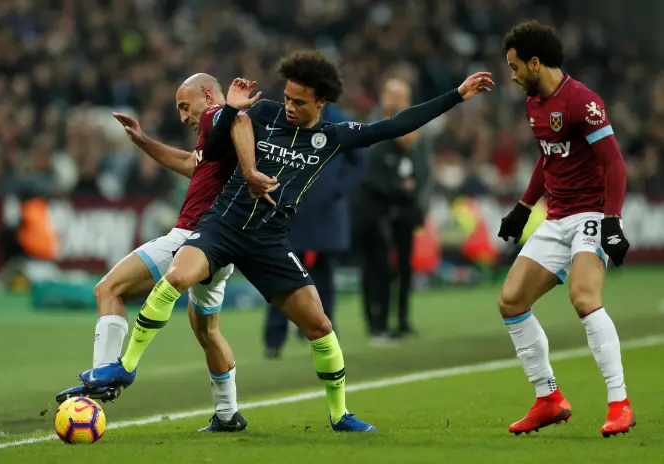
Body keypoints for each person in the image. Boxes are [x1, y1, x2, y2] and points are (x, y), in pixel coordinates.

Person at [79, 51, 493, 433]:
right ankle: (127, 366)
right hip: (224, 223)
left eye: (299, 101)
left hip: (268, 240)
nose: (289, 106)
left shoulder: (334, 136)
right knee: (177, 276)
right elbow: (235, 124)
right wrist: (250, 169)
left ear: (321, 102)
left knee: (320, 325)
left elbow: (396, 125)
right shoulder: (262, 113)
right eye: (288, 97)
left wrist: (456, 96)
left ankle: (339, 414)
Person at [56, 74, 248, 432]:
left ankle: (104, 376)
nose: (182, 117)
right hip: (223, 247)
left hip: (192, 238)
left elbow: (222, 134)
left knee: (108, 288)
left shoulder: (219, 118)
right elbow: (192, 165)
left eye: (184, 106)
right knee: (207, 331)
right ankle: (228, 414)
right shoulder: (221, 133)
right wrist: (143, 141)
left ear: (207, 96)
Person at [497, 20, 633, 438]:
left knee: (583, 297)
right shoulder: (534, 104)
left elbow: (613, 162)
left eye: (516, 66)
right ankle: (549, 399)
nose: (513, 75)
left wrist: (612, 219)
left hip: (591, 214)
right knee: (511, 301)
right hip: (557, 218)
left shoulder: (583, 102)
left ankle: (619, 402)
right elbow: (547, 158)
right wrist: (522, 207)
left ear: (536, 63)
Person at [263, 102, 368, 359]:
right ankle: (274, 340)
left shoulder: (340, 122)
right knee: (282, 276)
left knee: (324, 280)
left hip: (326, 214)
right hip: (290, 212)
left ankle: (325, 336)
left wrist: (337, 188)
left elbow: (361, 161)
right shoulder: (286, 119)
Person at [354, 77, 429, 343]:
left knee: (403, 267)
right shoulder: (375, 128)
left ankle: (401, 319)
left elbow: (423, 171)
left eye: (403, 96)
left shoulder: (416, 131)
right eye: (394, 95)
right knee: (377, 268)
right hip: (377, 211)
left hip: (405, 211)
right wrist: (403, 188)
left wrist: (418, 200)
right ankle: (376, 321)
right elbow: (371, 175)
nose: (398, 101)